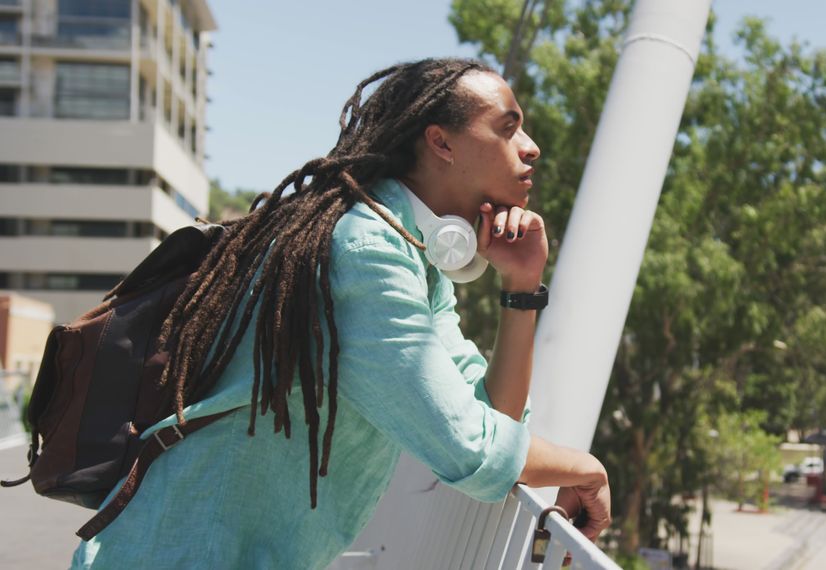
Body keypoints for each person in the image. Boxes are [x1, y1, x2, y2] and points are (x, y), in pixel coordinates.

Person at [71, 58, 611, 568]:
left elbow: (491, 417)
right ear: (441, 142)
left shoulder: (409, 253)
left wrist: (522, 289)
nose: (531, 147)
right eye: (507, 127)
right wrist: (584, 467)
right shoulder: (363, 251)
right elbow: (464, 447)